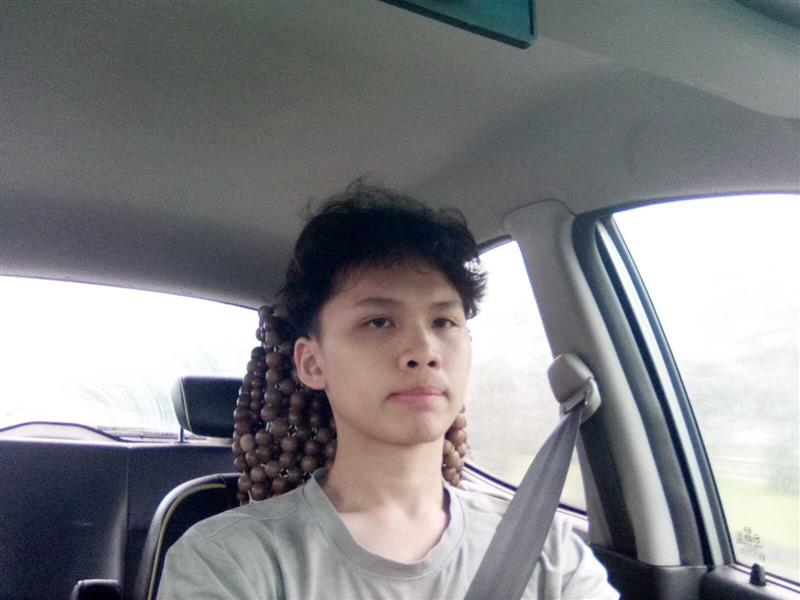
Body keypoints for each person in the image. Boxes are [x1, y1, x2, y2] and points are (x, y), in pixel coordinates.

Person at [158, 182, 618, 599]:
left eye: (444, 321)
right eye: (379, 322)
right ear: (313, 363)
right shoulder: (229, 560)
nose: (424, 351)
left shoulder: (549, 554)